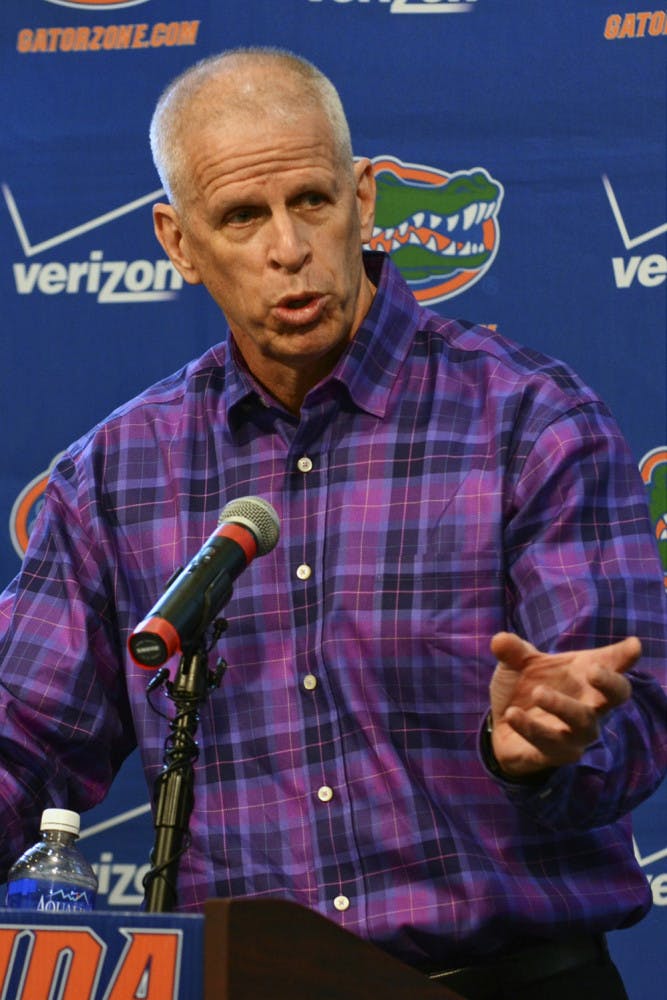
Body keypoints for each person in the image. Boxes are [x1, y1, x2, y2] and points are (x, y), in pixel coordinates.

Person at [0, 47, 665, 999]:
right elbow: (23, 738)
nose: (287, 247)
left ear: (361, 198)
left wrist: (547, 747)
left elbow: (633, 722)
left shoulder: (531, 421)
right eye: (242, 216)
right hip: (249, 983)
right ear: (179, 242)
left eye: (310, 201)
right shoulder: (116, 474)